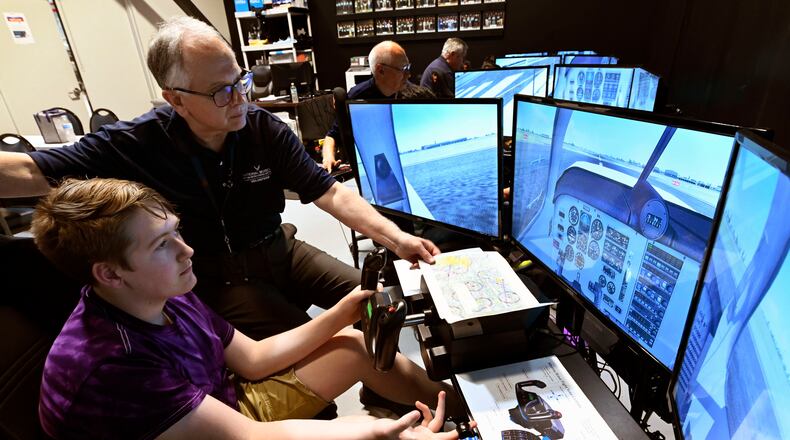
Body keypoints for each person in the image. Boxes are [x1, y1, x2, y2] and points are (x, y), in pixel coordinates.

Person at [0, 17, 439, 343]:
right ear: (175, 99)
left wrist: (396, 238)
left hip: (279, 248)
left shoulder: (263, 128)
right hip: (218, 278)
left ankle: (377, 390)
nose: (240, 99)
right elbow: (30, 170)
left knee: (377, 302)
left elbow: (328, 191)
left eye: (240, 81)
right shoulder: (137, 141)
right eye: (220, 91)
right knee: (318, 342)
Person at [32, 177, 469, 439]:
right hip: (215, 428)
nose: (187, 250)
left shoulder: (163, 292)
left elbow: (253, 360)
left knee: (352, 344)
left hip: (217, 407)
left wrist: (340, 313)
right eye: (162, 245)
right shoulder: (111, 364)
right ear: (110, 273)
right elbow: (249, 436)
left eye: (176, 232)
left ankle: (467, 417)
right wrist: (378, 433)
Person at [321, 40, 433, 172]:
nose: (409, 75)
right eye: (403, 69)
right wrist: (328, 158)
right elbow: (332, 135)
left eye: (408, 68)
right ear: (381, 70)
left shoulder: (413, 93)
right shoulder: (357, 97)